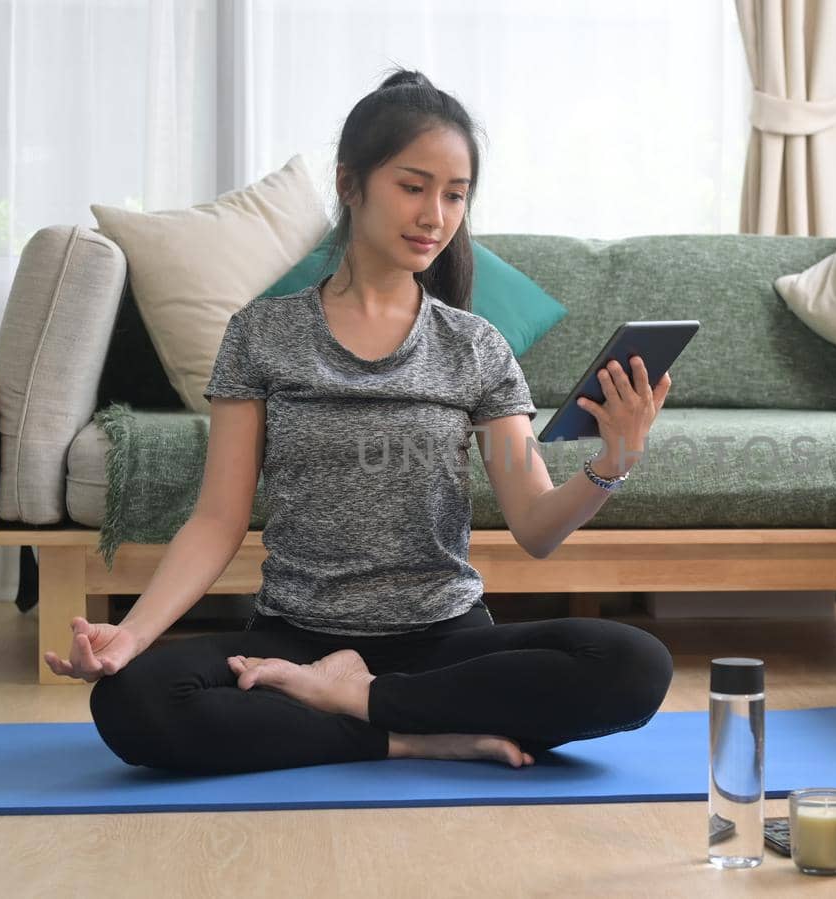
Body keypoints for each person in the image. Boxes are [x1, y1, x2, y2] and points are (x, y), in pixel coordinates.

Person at [44, 68, 676, 776]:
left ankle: (363, 701)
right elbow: (218, 520)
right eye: (413, 186)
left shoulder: (475, 346)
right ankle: (409, 732)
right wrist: (128, 637)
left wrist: (612, 461)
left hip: (443, 639)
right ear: (350, 184)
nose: (435, 214)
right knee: (133, 699)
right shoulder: (262, 335)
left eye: (455, 194)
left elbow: (534, 524)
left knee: (634, 665)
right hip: (298, 638)